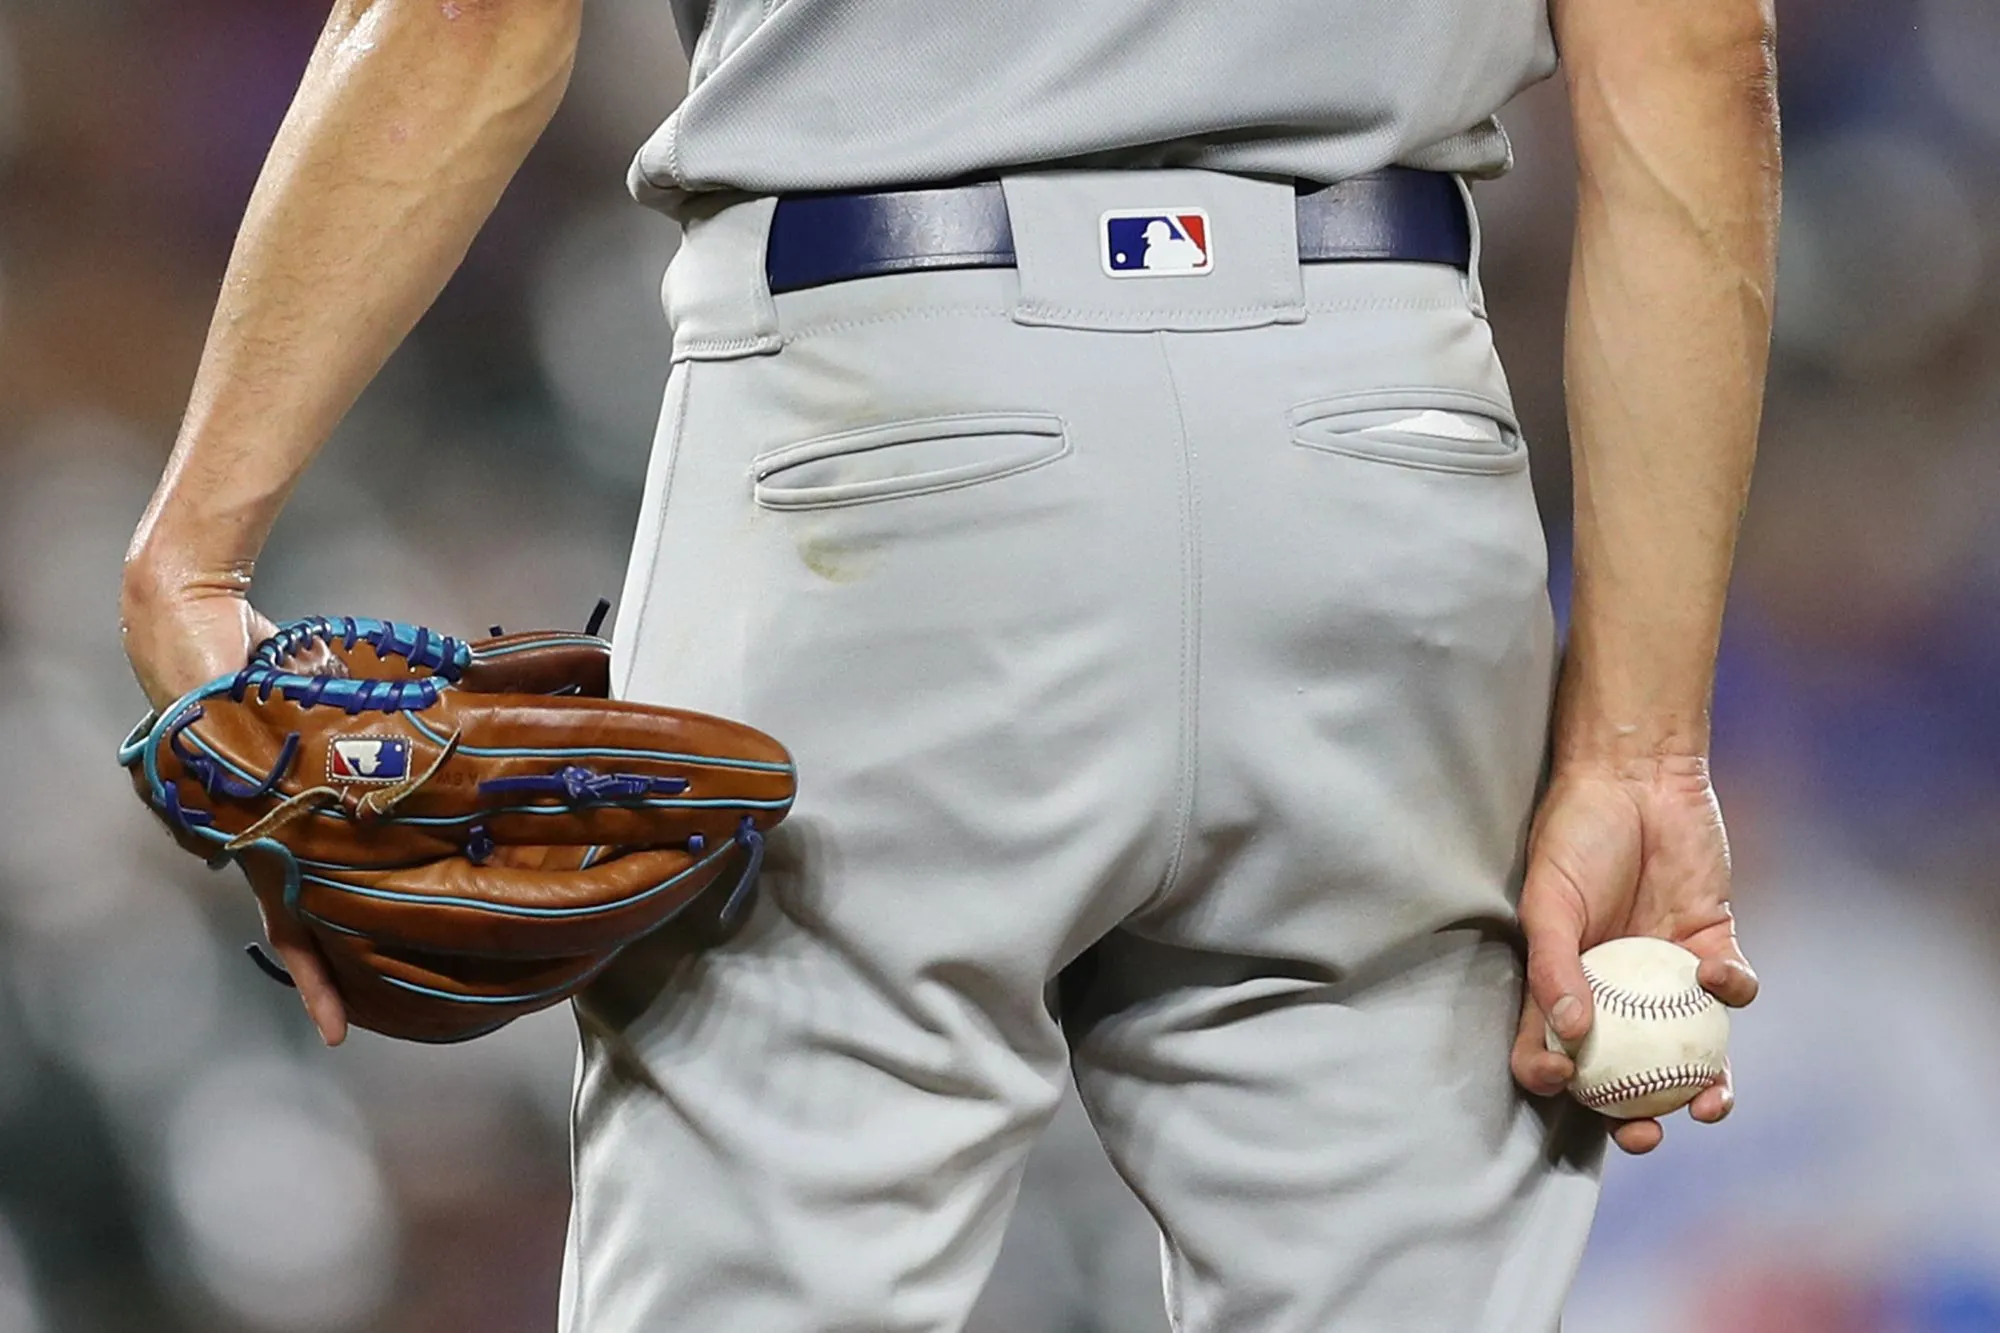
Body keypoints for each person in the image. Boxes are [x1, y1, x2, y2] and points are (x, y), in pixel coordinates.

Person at [119, 1, 1777, 1329]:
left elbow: (472, 19)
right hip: (1381, 439)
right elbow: (1695, 56)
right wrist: (1644, 748)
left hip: (881, 426)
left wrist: (200, 537)